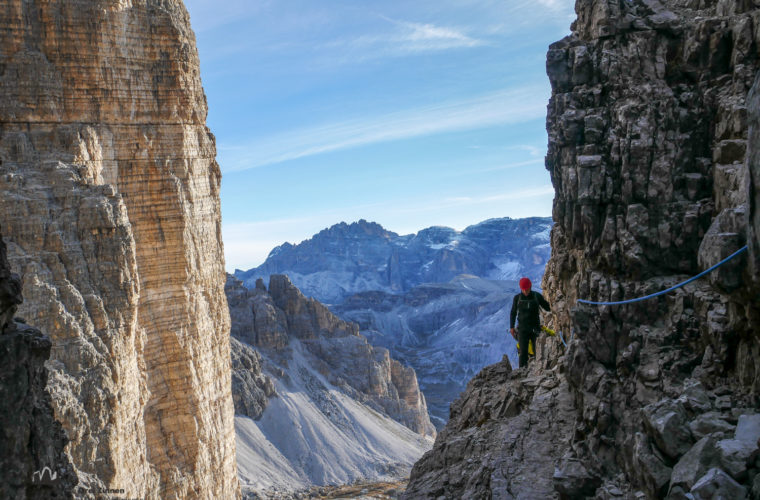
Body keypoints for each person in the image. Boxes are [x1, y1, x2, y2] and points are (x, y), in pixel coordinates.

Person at [509, 277, 551, 368]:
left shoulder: (537, 296)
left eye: (527, 289)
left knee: (538, 351)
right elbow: (513, 313)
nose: (525, 291)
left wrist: (553, 306)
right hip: (522, 329)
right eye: (523, 289)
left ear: (530, 287)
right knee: (523, 353)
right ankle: (522, 373)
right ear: (521, 288)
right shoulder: (517, 298)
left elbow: (546, 307)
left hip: (535, 328)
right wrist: (511, 327)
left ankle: (539, 370)